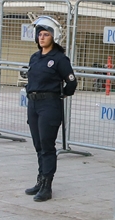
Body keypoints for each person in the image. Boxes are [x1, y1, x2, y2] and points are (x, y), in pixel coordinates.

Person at [22, 15, 78, 202]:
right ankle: (40, 179)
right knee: (38, 145)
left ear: (54, 36)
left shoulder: (59, 58)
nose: (42, 38)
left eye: (46, 34)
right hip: (34, 104)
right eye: (40, 34)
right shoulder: (34, 57)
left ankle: (47, 185)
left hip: (49, 105)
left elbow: (71, 82)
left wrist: (59, 93)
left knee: (47, 146)